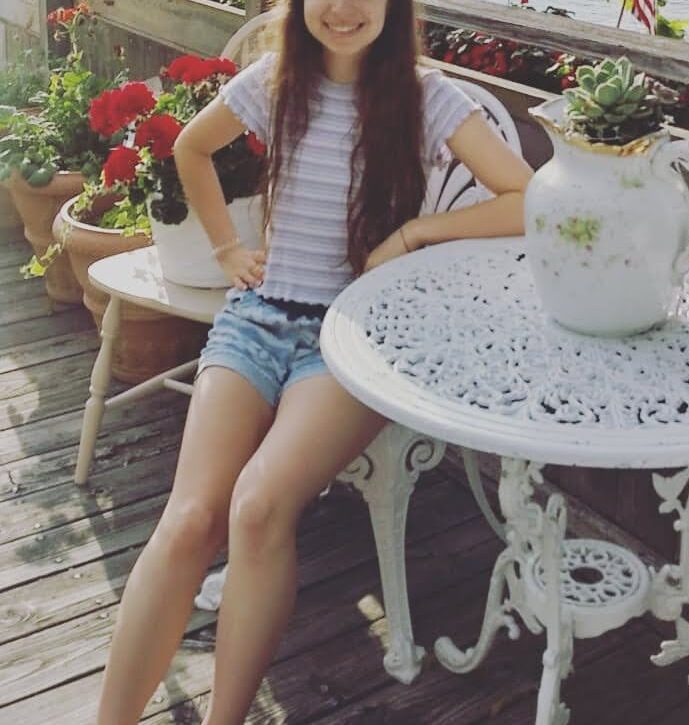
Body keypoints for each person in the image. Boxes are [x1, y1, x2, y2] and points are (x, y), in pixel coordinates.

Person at [96, 0, 533, 722]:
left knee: (259, 507)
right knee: (191, 518)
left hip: (351, 339)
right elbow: (192, 148)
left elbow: (525, 198)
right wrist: (227, 248)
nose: (343, 9)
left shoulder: (425, 96)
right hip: (256, 321)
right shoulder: (276, 79)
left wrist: (417, 233)